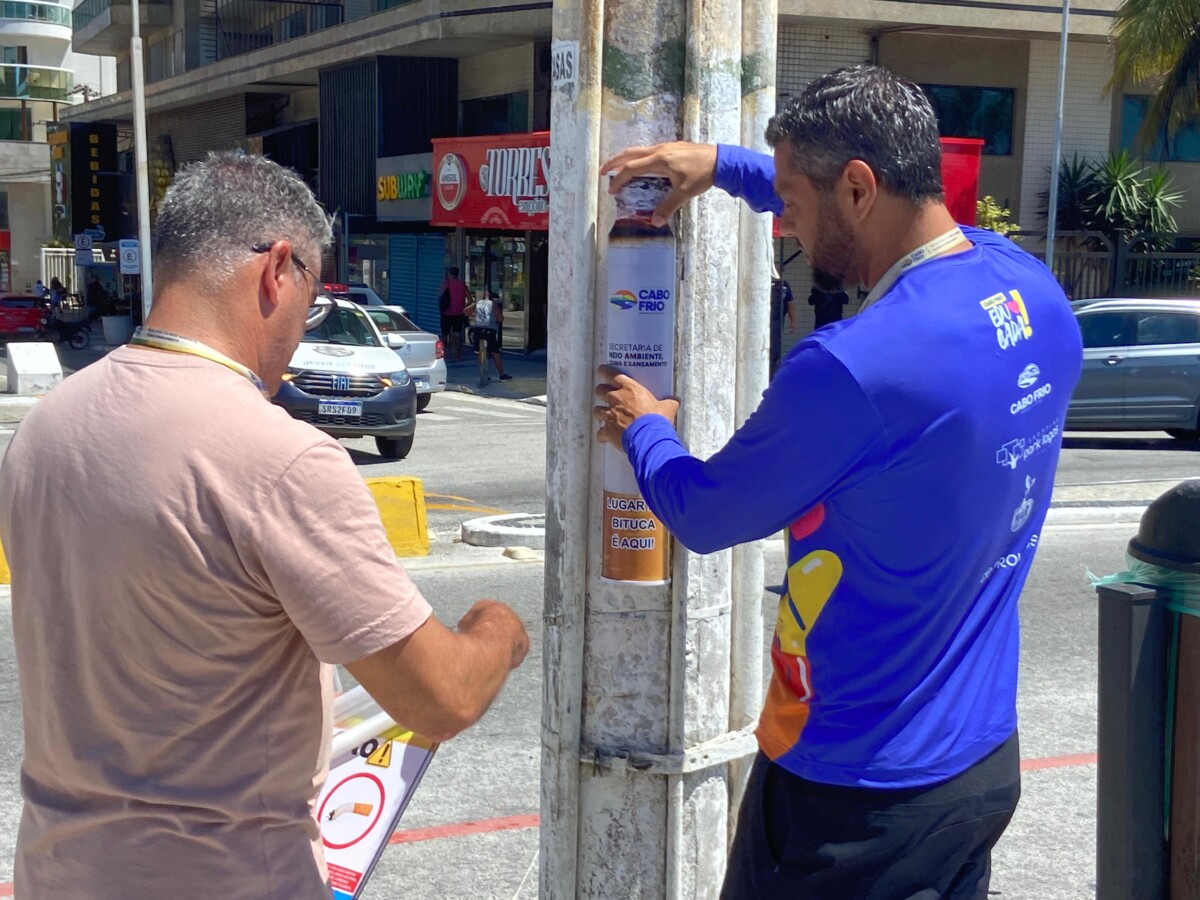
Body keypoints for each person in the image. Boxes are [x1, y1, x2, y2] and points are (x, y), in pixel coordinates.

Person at [597, 64, 1082, 899]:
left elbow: (703, 514)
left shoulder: (852, 370)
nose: (784, 221)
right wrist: (723, 166)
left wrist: (645, 426)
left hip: (854, 797)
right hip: (977, 767)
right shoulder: (1027, 286)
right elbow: (862, 204)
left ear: (858, 188)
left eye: (791, 199)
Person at [0, 152, 529, 898]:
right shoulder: (282, 458)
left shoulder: (46, 428)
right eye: (311, 301)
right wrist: (497, 629)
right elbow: (439, 699)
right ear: (278, 269)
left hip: (57, 873)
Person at [464, 287, 511, 381]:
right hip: (490, 331)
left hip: (478, 330)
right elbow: (500, 318)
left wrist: (473, 316)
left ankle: (483, 374)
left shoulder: (478, 303)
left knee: (481, 353)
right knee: (495, 353)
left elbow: (465, 311)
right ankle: (502, 375)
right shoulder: (493, 304)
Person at [438, 265, 470, 361]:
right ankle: (457, 355)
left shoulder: (446, 282)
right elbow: (470, 300)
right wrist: (464, 308)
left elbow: (440, 295)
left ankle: (442, 355)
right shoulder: (462, 284)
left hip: (446, 312)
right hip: (459, 313)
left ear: (449, 273)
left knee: (444, 334)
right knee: (457, 334)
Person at [768, 274, 794, 379]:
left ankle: (772, 375)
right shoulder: (766, 283)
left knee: (775, 350)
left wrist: (793, 321)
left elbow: (790, 304)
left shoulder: (784, 286)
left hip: (777, 322)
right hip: (767, 322)